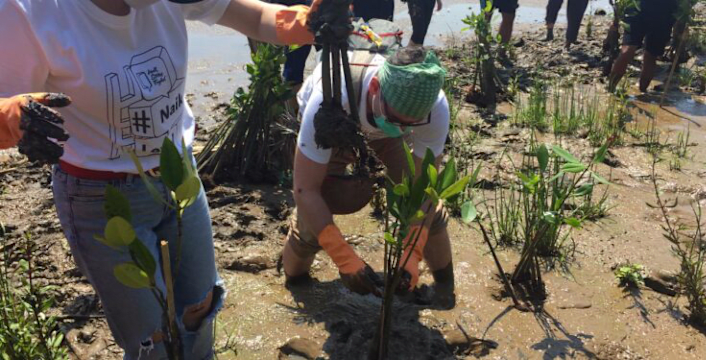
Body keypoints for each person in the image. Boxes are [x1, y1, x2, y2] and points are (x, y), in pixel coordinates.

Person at [0, 0, 330, 358]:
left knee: (201, 307)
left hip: (179, 176)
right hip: (99, 196)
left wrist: (309, 23)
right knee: (150, 341)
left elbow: (257, 16)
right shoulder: (29, 11)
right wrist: (11, 115)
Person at [281, 46, 456, 306]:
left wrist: (412, 249)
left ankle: (445, 289)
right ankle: (297, 285)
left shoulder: (433, 109)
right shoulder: (328, 98)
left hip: (385, 136)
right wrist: (343, 257)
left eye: (412, 123)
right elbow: (305, 189)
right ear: (375, 88)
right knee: (312, 221)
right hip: (335, 127)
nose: (403, 127)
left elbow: (424, 189)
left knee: (424, 209)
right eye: (396, 118)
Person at [608, 0, 678, 92]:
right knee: (629, 51)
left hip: (663, 13)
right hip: (640, 10)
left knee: (649, 55)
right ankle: (611, 89)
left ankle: (642, 92)